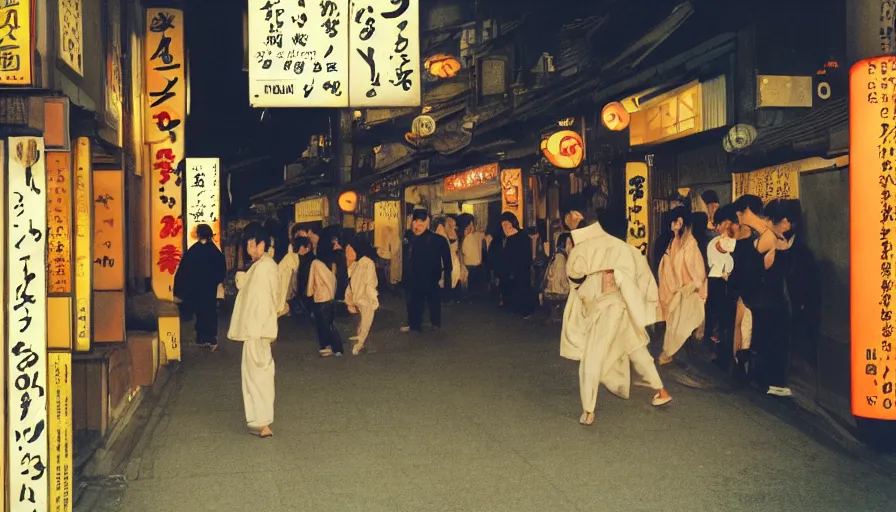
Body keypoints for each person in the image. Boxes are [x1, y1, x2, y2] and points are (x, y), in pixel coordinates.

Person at [560, 212, 672, 426]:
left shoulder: (584, 248)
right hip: (622, 306)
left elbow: (573, 275)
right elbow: (642, 277)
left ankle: (589, 410)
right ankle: (661, 390)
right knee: (637, 349)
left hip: (604, 309)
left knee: (593, 356)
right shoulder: (624, 249)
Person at [227, 223, 279, 438]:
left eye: (251, 245)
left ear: (261, 244)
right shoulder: (264, 266)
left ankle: (261, 421)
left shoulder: (264, 267)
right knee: (260, 373)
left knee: (256, 375)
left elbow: (257, 299)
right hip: (259, 331)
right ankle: (261, 420)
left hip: (256, 330)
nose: (249, 249)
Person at [658, 206, 708, 365]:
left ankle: (670, 355)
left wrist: (689, 288)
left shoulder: (690, 244)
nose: (672, 225)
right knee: (675, 327)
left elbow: (699, 274)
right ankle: (673, 355)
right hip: (677, 293)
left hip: (689, 293)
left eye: (674, 222)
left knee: (680, 328)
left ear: (679, 222)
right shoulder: (674, 241)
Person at [174, 224, 227, 351]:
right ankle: (211, 337)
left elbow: (184, 271)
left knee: (200, 312)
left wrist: (181, 289)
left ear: (198, 235)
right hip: (209, 288)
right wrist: (215, 281)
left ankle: (201, 337)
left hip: (196, 288)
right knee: (210, 311)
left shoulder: (193, 251)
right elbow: (221, 269)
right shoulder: (214, 251)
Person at [401, 209, 452, 333]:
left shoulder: (437, 239)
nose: (418, 225)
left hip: (431, 277)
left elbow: (447, 261)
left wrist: (447, 281)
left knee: (433, 300)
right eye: (416, 222)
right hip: (413, 277)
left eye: (422, 222)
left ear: (427, 223)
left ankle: (435, 323)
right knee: (413, 301)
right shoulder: (408, 237)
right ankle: (414, 324)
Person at [297, 236, 344, 357]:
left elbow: (311, 282)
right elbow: (333, 280)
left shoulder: (315, 263)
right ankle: (335, 348)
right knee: (329, 323)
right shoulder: (332, 263)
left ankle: (330, 347)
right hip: (330, 298)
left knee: (323, 325)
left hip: (321, 298)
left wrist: (308, 294)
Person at [704, 204, 739, 366]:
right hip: (720, 282)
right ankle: (721, 353)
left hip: (720, 282)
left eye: (720, 224)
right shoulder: (720, 243)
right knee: (723, 319)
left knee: (722, 319)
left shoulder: (718, 242)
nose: (718, 228)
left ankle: (721, 353)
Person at [345, 238, 379, 355]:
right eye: (346, 251)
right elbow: (367, 284)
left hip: (362, 300)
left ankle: (360, 344)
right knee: (365, 323)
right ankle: (360, 345)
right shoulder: (360, 264)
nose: (348, 254)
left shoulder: (363, 263)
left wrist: (373, 300)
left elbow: (367, 284)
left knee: (364, 323)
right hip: (363, 301)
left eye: (350, 251)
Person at [498, 212, 536, 318]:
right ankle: (513, 307)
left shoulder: (522, 236)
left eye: (507, 223)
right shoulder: (505, 237)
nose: (505, 226)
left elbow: (526, 254)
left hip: (521, 268)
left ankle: (526, 310)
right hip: (509, 268)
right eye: (503, 224)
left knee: (523, 288)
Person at [542, 232, 572, 324]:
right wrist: (570, 288)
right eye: (569, 243)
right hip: (556, 290)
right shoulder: (561, 258)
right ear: (564, 243)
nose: (571, 245)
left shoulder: (557, 254)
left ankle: (553, 316)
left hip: (551, 288)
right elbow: (560, 278)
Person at [461, 220, 486, 294]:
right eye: (469, 225)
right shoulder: (464, 237)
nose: (471, 227)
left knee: (475, 284)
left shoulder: (477, 235)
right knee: (470, 284)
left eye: (472, 225)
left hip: (477, 264)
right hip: (469, 264)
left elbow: (485, 236)